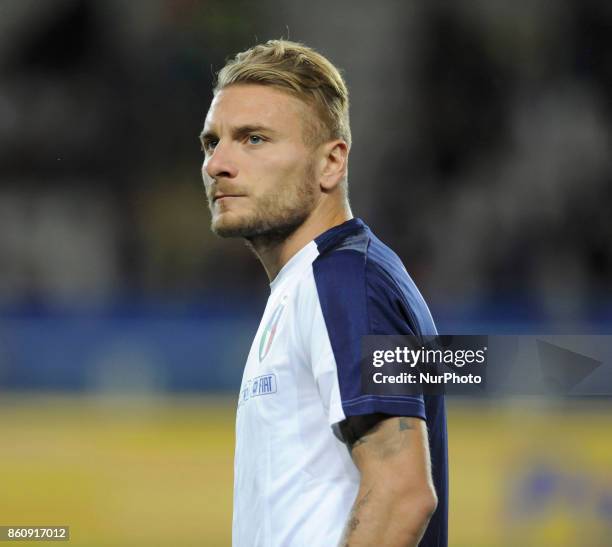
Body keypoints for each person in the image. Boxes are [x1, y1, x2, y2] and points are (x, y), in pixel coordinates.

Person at [200, 39, 447, 547]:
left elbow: (403, 493)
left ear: (330, 163)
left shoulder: (344, 282)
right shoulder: (321, 281)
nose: (217, 163)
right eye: (211, 142)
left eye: (253, 139)